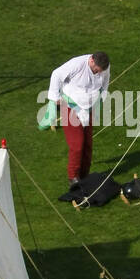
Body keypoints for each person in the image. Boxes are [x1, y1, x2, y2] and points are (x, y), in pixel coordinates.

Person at [39, 51, 110, 186]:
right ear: (92, 61)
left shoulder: (104, 66)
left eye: (100, 71)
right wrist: (55, 98)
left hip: (89, 106)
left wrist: (102, 97)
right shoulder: (76, 64)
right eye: (96, 70)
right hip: (70, 105)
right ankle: (73, 177)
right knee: (77, 144)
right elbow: (56, 74)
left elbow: (106, 80)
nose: (98, 73)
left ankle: (84, 175)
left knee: (88, 143)